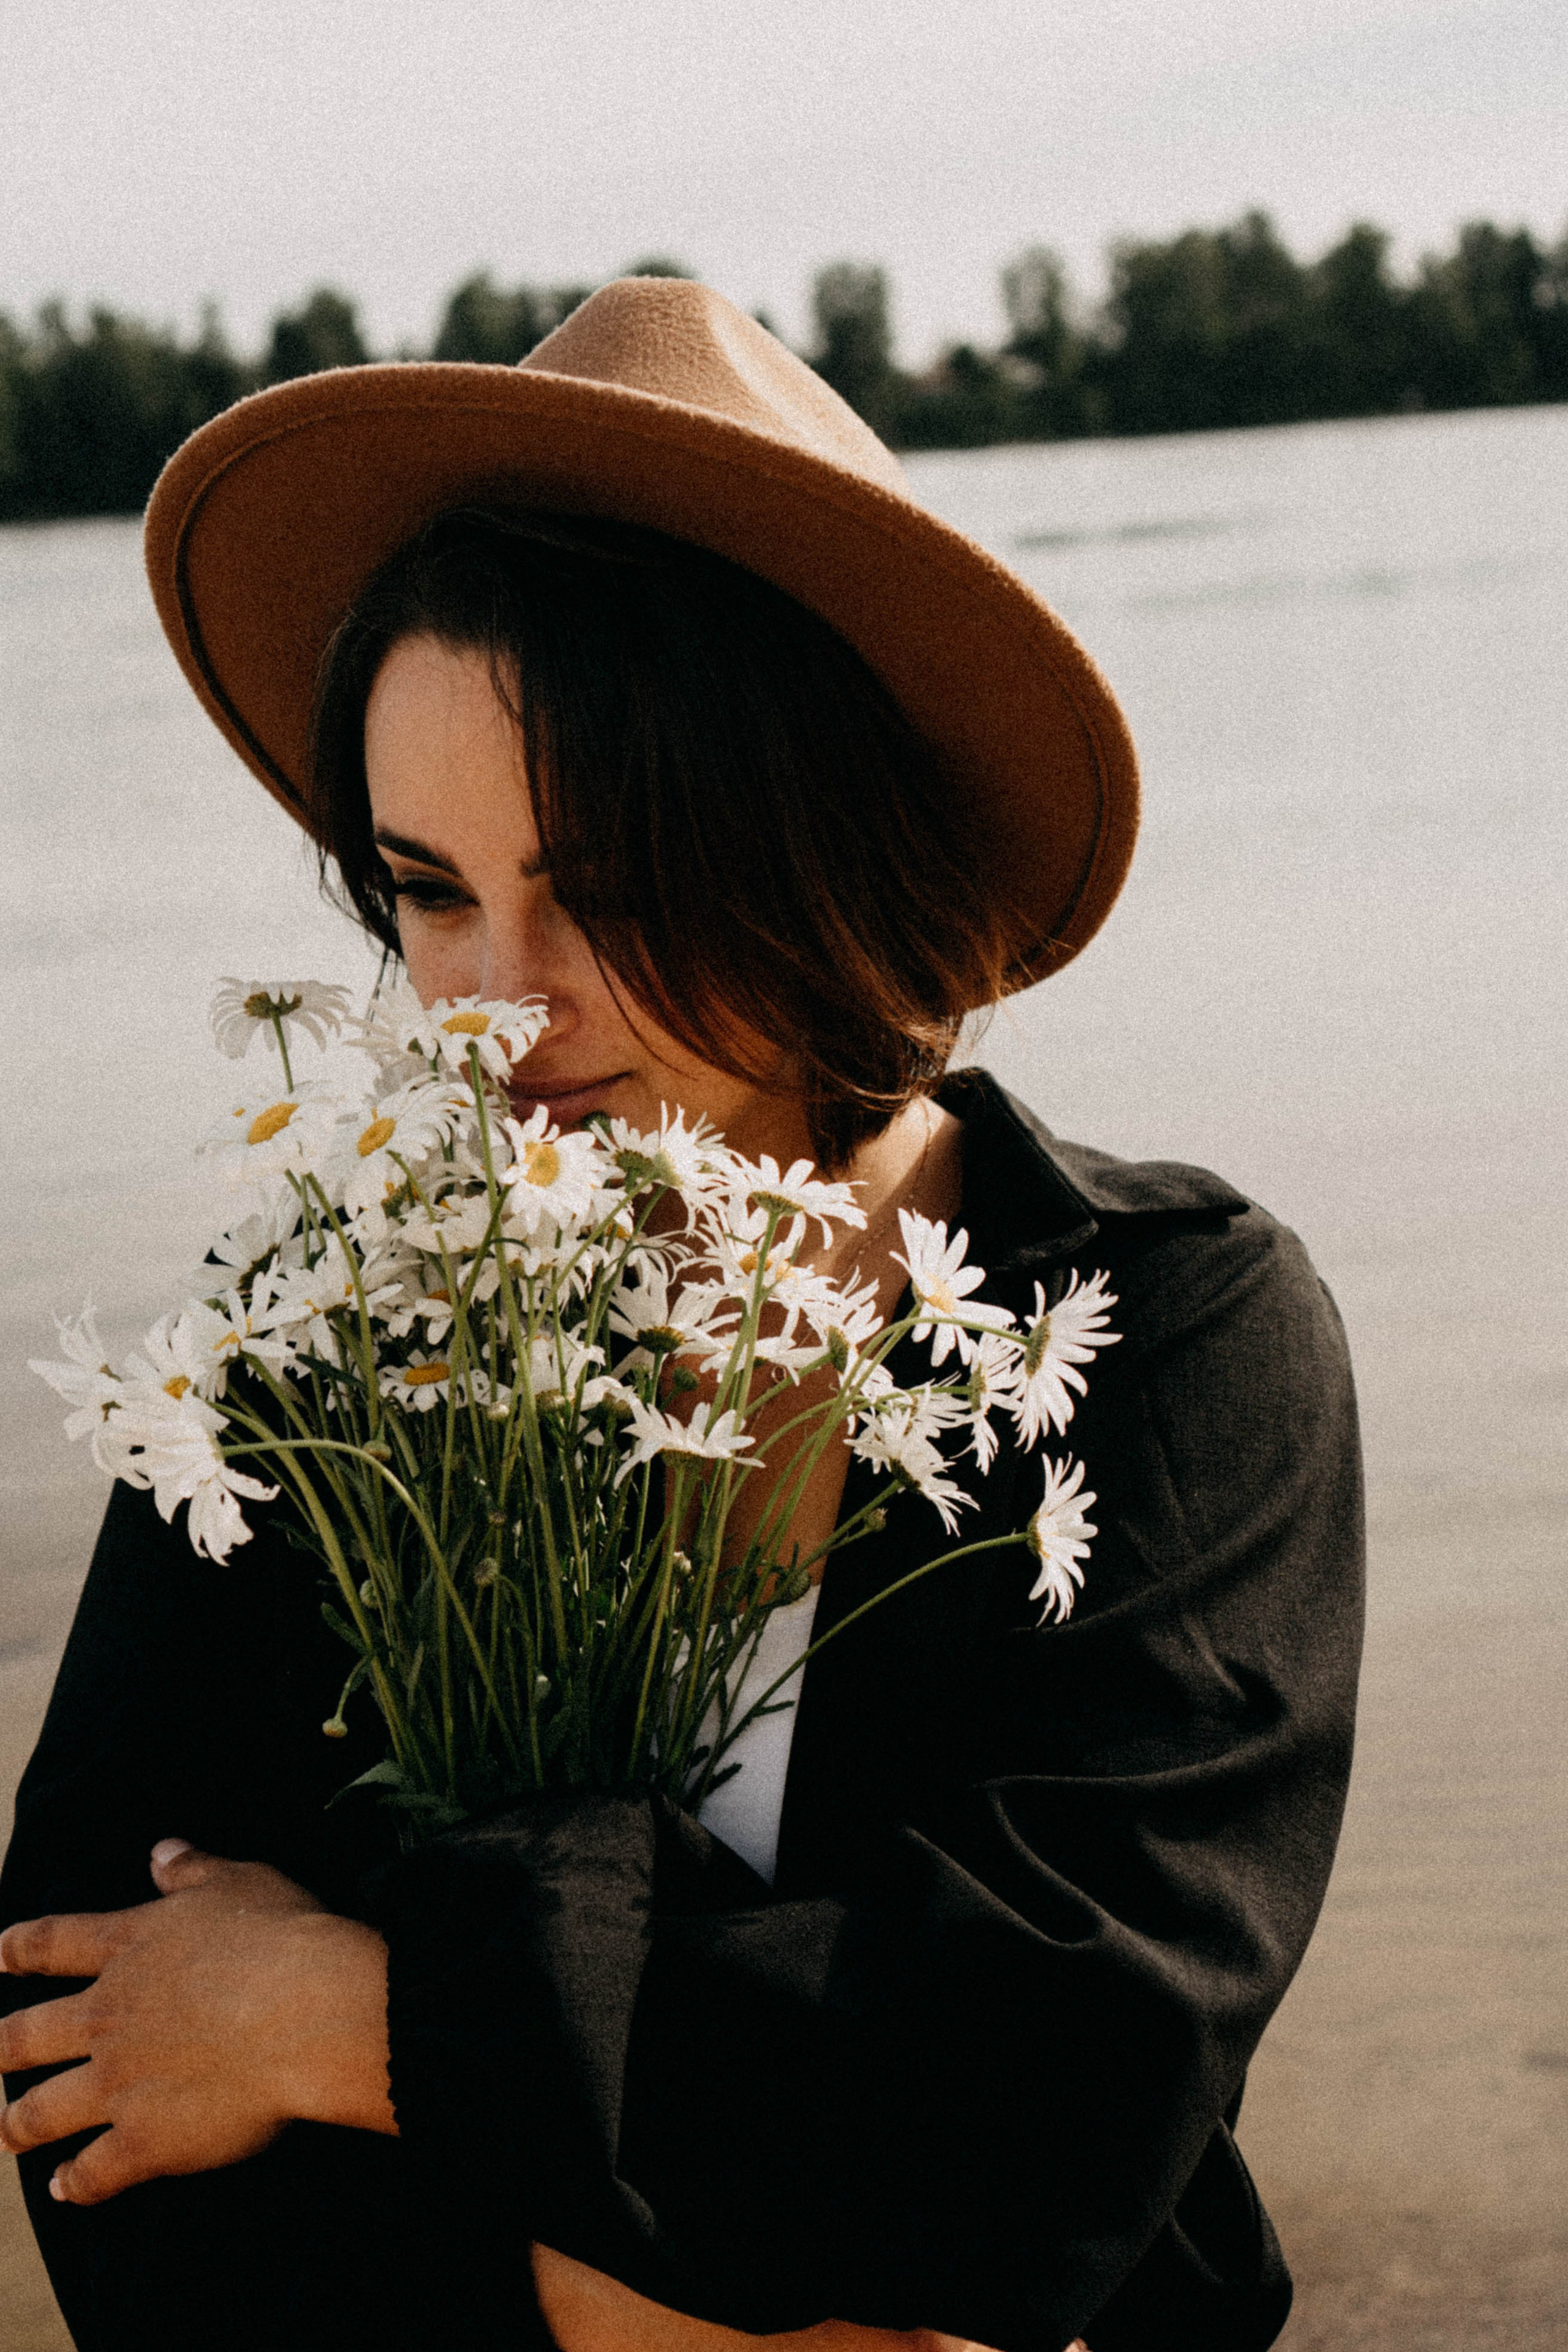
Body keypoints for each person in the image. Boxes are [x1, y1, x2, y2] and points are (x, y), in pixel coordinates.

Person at [0, 279, 1363, 2352]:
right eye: (431, 890)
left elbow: (1066, 2104)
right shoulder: (318, 1399)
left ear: (815, 840)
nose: (503, 1009)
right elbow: (97, 2089)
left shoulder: (1171, 1339)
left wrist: (351, 2022)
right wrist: (748, 2299)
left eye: (613, 882)